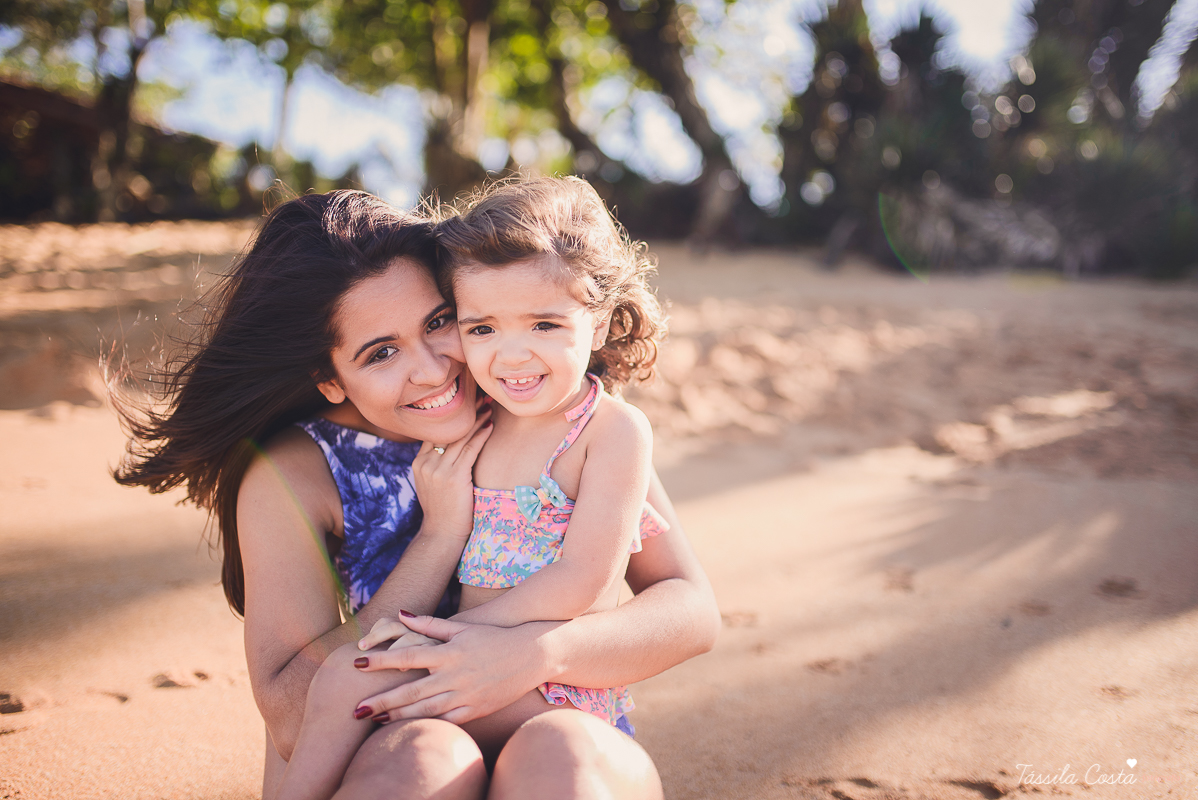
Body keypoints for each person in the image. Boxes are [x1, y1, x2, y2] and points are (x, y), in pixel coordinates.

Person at [112, 189, 720, 799]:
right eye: (380, 353)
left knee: (563, 755)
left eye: (440, 322)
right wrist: (439, 537)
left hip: (553, 715)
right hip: (406, 735)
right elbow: (294, 716)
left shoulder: (536, 406)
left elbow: (688, 611)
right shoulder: (298, 473)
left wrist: (541, 653)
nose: (434, 370)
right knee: (423, 762)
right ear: (329, 378)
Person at [274, 177, 671, 798]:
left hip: (546, 686)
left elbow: (587, 577)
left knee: (362, 687)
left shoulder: (610, 428)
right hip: (466, 670)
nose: (512, 356)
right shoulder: (483, 411)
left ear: (598, 321)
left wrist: (474, 638)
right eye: (481, 329)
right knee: (339, 683)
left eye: (543, 324)